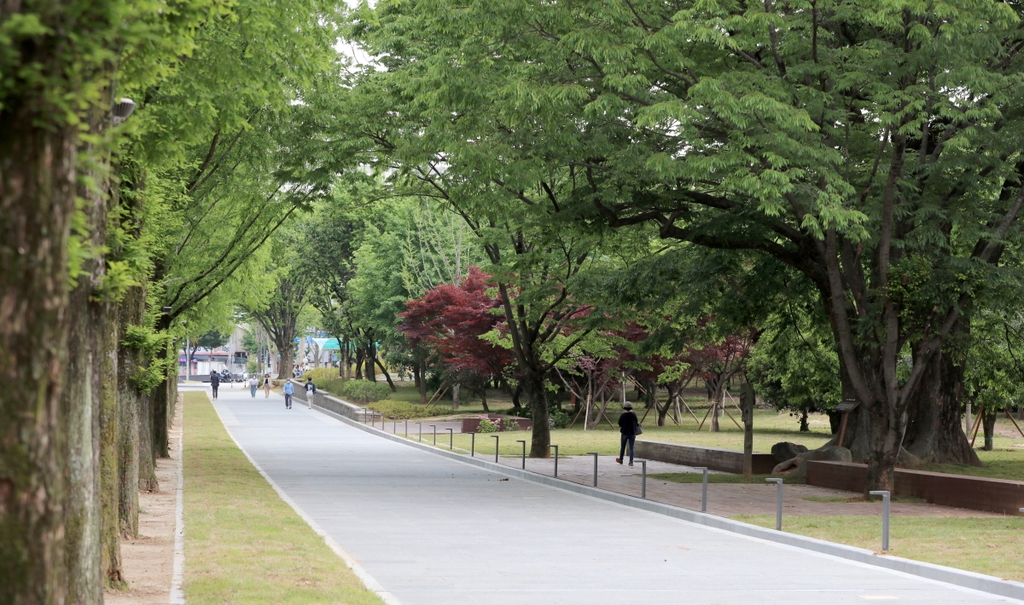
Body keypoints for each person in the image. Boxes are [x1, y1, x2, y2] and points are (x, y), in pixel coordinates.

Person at [616, 401, 638, 466]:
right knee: (631, 447)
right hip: (632, 433)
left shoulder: (623, 415)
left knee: (623, 446)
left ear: (624, 408)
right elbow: (636, 422)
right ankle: (631, 461)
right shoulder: (634, 415)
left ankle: (621, 459)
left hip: (624, 432)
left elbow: (620, 423)